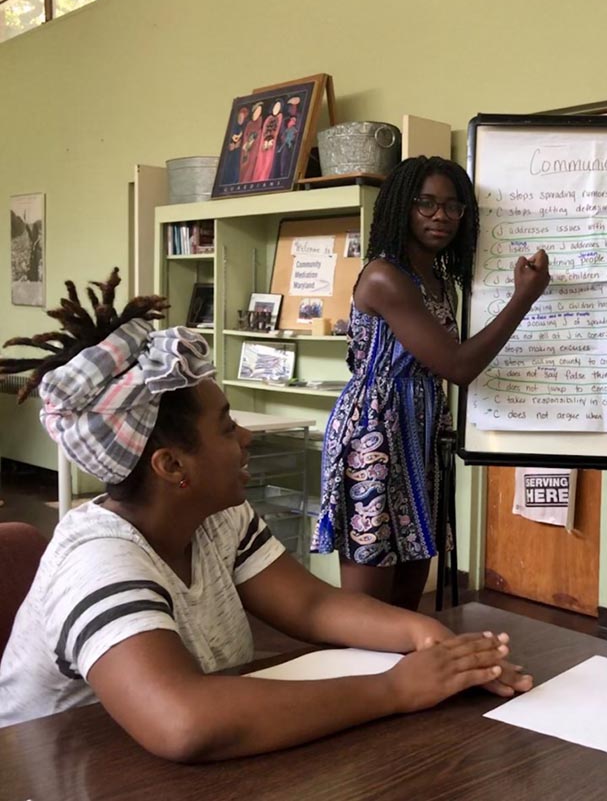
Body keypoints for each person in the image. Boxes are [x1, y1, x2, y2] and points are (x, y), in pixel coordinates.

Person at [0, 269, 532, 761]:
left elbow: (313, 606)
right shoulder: (98, 563)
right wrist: (396, 687)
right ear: (171, 465)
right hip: (62, 772)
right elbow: (184, 722)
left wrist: (429, 639)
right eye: (226, 426)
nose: (245, 437)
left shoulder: (214, 518)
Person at [315, 156, 550, 609]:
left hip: (420, 434)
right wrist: (524, 298)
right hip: (375, 434)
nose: (440, 216)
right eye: (425, 203)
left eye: (452, 206)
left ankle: (407, 658)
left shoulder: (439, 280)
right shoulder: (385, 276)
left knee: (408, 593)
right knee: (368, 608)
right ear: (401, 207)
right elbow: (457, 366)